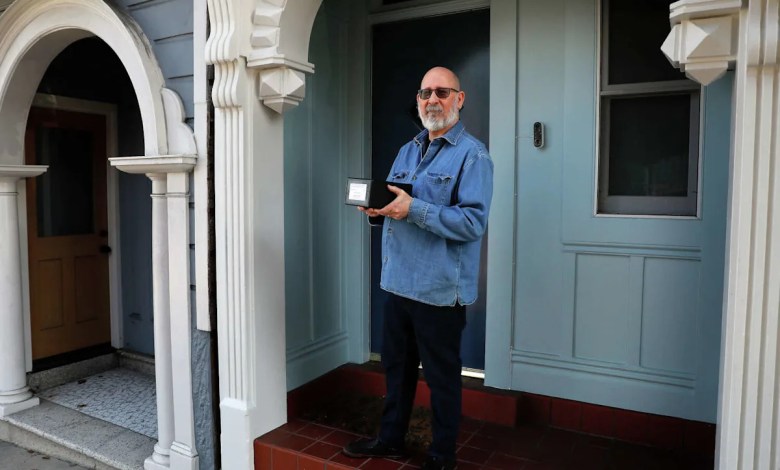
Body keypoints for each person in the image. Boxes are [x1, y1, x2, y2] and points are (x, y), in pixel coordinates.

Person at [343, 66, 494, 470]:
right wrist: (378, 211)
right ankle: (390, 439)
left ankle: (442, 456)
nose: (432, 100)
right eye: (425, 93)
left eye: (442, 92)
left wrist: (414, 209)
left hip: (439, 290)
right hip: (397, 282)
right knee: (397, 369)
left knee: (442, 379)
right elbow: (396, 207)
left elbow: (473, 223)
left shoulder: (473, 156)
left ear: (459, 99)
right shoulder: (407, 150)